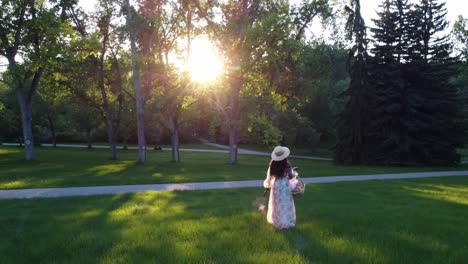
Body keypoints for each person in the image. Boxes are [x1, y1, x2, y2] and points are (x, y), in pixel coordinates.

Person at [263, 146, 296, 229]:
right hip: (284, 184)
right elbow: (291, 176)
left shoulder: (272, 164)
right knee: (285, 203)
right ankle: (285, 221)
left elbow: (270, 177)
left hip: (276, 184)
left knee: (276, 203)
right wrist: (294, 174)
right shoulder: (287, 164)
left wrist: (267, 186)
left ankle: (276, 221)